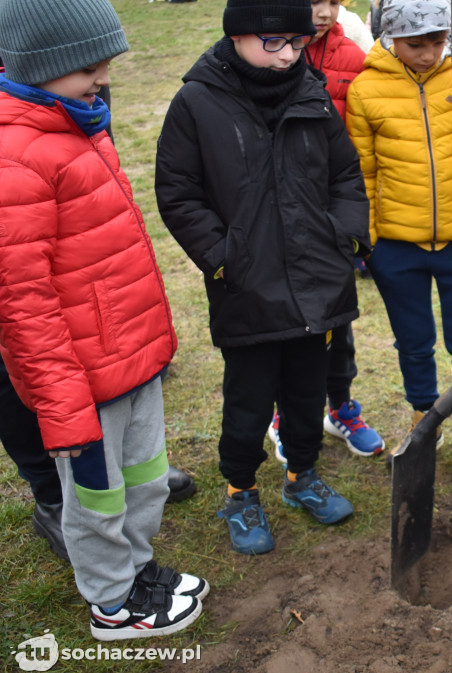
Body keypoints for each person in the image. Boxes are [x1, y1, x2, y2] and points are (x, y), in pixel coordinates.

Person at [0, 0, 207, 639]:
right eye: (89, 68)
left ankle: (139, 569)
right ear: (40, 66)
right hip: (83, 379)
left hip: (127, 356)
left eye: (107, 65)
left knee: (143, 479)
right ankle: (113, 603)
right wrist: (62, 401)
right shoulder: (19, 159)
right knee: (96, 497)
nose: (104, 80)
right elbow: (23, 301)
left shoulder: (79, 124)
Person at [156, 0, 368, 554]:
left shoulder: (311, 92)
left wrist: (343, 237)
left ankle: (302, 478)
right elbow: (178, 192)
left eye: (297, 43)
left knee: (306, 394)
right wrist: (225, 258)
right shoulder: (196, 102)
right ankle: (241, 491)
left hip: (315, 285)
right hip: (246, 289)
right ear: (239, 36)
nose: (288, 56)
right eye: (274, 42)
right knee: (248, 401)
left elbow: (344, 173)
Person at [345, 0, 452, 473]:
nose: (430, 53)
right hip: (398, 248)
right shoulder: (366, 89)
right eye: (417, 44)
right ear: (389, 38)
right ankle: (425, 419)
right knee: (414, 342)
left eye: (440, 42)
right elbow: (364, 172)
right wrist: (371, 244)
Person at [267, 0, 384, 464]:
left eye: (332, 1)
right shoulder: (269, 56)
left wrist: (350, 222)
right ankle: (284, 412)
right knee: (285, 325)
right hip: (280, 217)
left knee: (338, 324)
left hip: (329, 217)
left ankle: (340, 407)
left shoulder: (354, 57)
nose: (323, 11)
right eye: (313, 0)